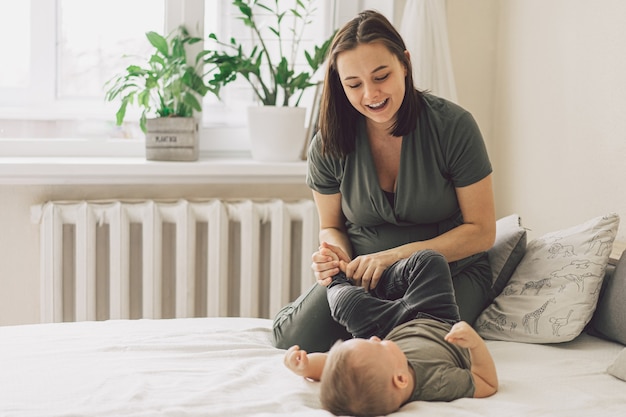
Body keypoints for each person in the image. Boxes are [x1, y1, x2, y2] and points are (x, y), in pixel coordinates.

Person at [272, 9, 496, 353]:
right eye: (354, 84)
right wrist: (333, 256)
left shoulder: (454, 127)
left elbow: (482, 231)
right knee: (293, 339)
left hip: (447, 271)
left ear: (404, 63)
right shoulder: (329, 143)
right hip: (366, 272)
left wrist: (392, 257)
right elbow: (331, 226)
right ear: (339, 83)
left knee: (415, 341)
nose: (370, 94)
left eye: (381, 76)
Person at [283, 249, 498, 417]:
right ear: (401, 379)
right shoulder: (439, 382)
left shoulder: (384, 352)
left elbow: (335, 368)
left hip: (390, 327)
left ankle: (343, 279)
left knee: (347, 304)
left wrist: (307, 366)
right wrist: (475, 344)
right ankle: (366, 280)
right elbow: (486, 383)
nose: (375, 340)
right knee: (430, 260)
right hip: (438, 318)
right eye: (377, 346)